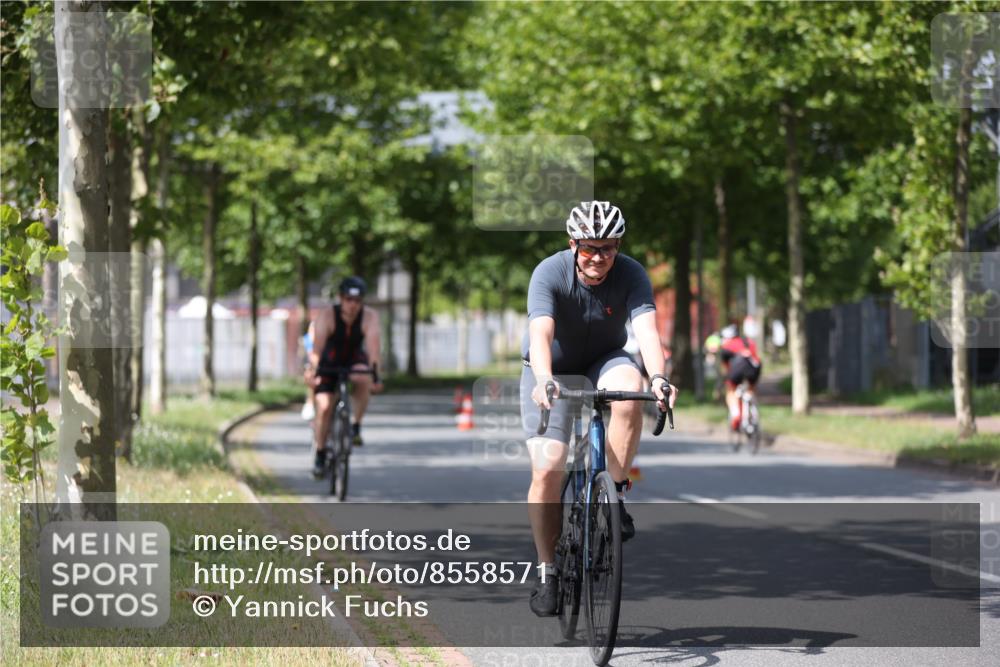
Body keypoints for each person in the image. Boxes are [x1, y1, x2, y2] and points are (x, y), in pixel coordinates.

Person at [521, 200, 679, 617]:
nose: (598, 257)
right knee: (548, 466)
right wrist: (543, 378)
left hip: (603, 359)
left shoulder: (631, 273)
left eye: (608, 248)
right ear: (573, 244)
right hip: (552, 367)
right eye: (590, 248)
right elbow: (541, 331)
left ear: (618, 246)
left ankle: (616, 492)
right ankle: (548, 572)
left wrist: (660, 377)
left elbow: (646, 330)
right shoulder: (549, 272)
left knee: (632, 388)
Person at [309, 276, 383, 477]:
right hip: (329, 360)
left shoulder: (369, 317)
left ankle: (356, 425)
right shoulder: (327, 316)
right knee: (324, 406)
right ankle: (320, 452)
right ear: (341, 299)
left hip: (353, 358)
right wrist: (314, 371)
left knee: (363, 377)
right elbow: (317, 350)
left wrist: (376, 376)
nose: (353, 305)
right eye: (349, 300)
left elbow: (374, 351)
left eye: (357, 301)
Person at [718, 323, 762, 432]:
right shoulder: (749, 342)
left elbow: (725, 366)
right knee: (751, 388)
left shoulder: (727, 345)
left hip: (738, 367)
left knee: (731, 390)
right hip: (754, 367)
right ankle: (752, 408)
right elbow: (756, 356)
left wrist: (726, 378)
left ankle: (736, 414)